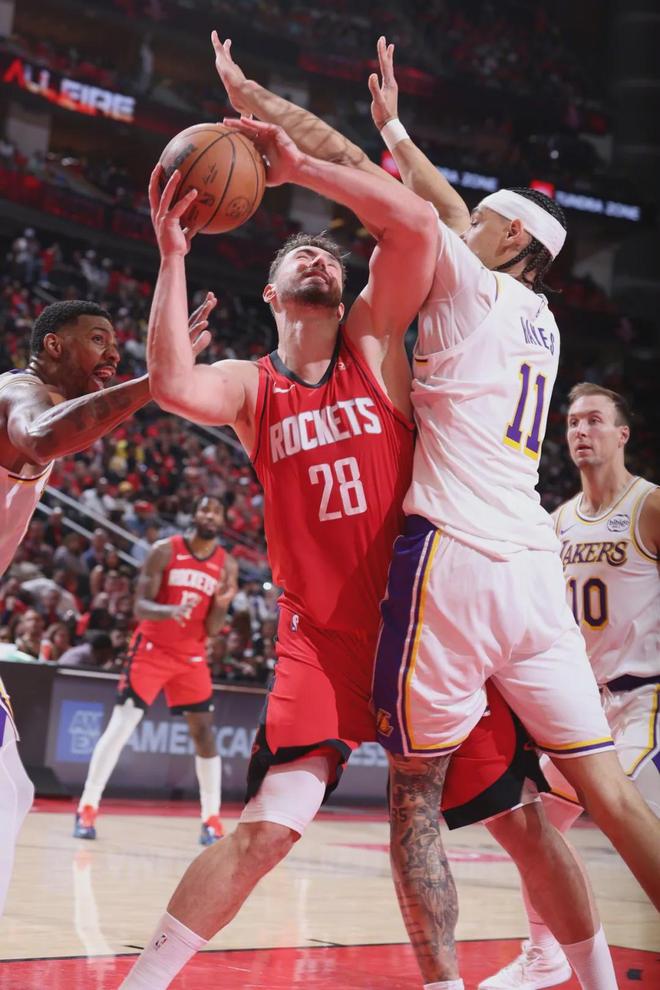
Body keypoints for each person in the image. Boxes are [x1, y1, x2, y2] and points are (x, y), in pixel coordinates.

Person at [120, 112, 612, 990]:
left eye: (329, 258)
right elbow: (172, 384)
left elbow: (417, 228)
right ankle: (143, 982)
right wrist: (171, 257)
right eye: (298, 256)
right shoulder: (251, 386)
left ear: (347, 291)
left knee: (521, 823)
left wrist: (364, 141)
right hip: (321, 640)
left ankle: (590, 977)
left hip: (426, 623)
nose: (317, 259)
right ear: (271, 294)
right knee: (269, 827)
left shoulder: (374, 348)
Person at [209, 32, 660, 990]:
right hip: (534, 562)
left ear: (506, 240)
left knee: (414, 793)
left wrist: (274, 122)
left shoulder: (459, 275)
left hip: (455, 555)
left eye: (481, 219)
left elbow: (400, 199)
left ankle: (445, 983)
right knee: (611, 798)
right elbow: (447, 207)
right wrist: (399, 132)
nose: (464, 218)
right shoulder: (538, 312)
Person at [0, 296, 213, 917]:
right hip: (156, 651)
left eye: (116, 344)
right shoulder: (19, 393)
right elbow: (42, 436)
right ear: (53, 345)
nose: (113, 354)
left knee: (11, 786)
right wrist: (155, 382)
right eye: (98, 340)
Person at [481, 383, 659, 990]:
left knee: (633, 826)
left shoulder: (649, 505)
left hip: (645, 701)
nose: (581, 430)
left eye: (594, 420)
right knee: (532, 825)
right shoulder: (555, 523)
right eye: (573, 422)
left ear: (622, 434)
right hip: (581, 703)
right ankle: (546, 956)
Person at [74, 495, 238, 845]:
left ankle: (211, 818)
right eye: (205, 508)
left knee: (204, 734)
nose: (210, 515)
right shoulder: (165, 550)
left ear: (223, 521)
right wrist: (171, 611)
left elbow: (212, 628)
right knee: (122, 725)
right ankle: (87, 806)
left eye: (216, 512)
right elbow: (140, 606)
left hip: (191, 656)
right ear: (194, 513)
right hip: (151, 649)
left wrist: (222, 606)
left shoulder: (227, 565)